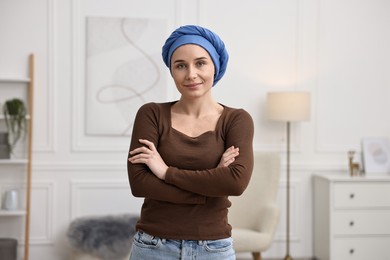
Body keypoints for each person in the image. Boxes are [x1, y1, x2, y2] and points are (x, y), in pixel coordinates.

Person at [127, 25, 254, 260]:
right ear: (172, 71)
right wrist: (212, 182)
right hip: (153, 246)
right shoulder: (151, 114)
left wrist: (165, 172)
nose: (191, 74)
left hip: (214, 248)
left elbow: (235, 183)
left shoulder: (237, 120)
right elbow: (140, 184)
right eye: (181, 65)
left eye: (200, 63)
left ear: (215, 66)